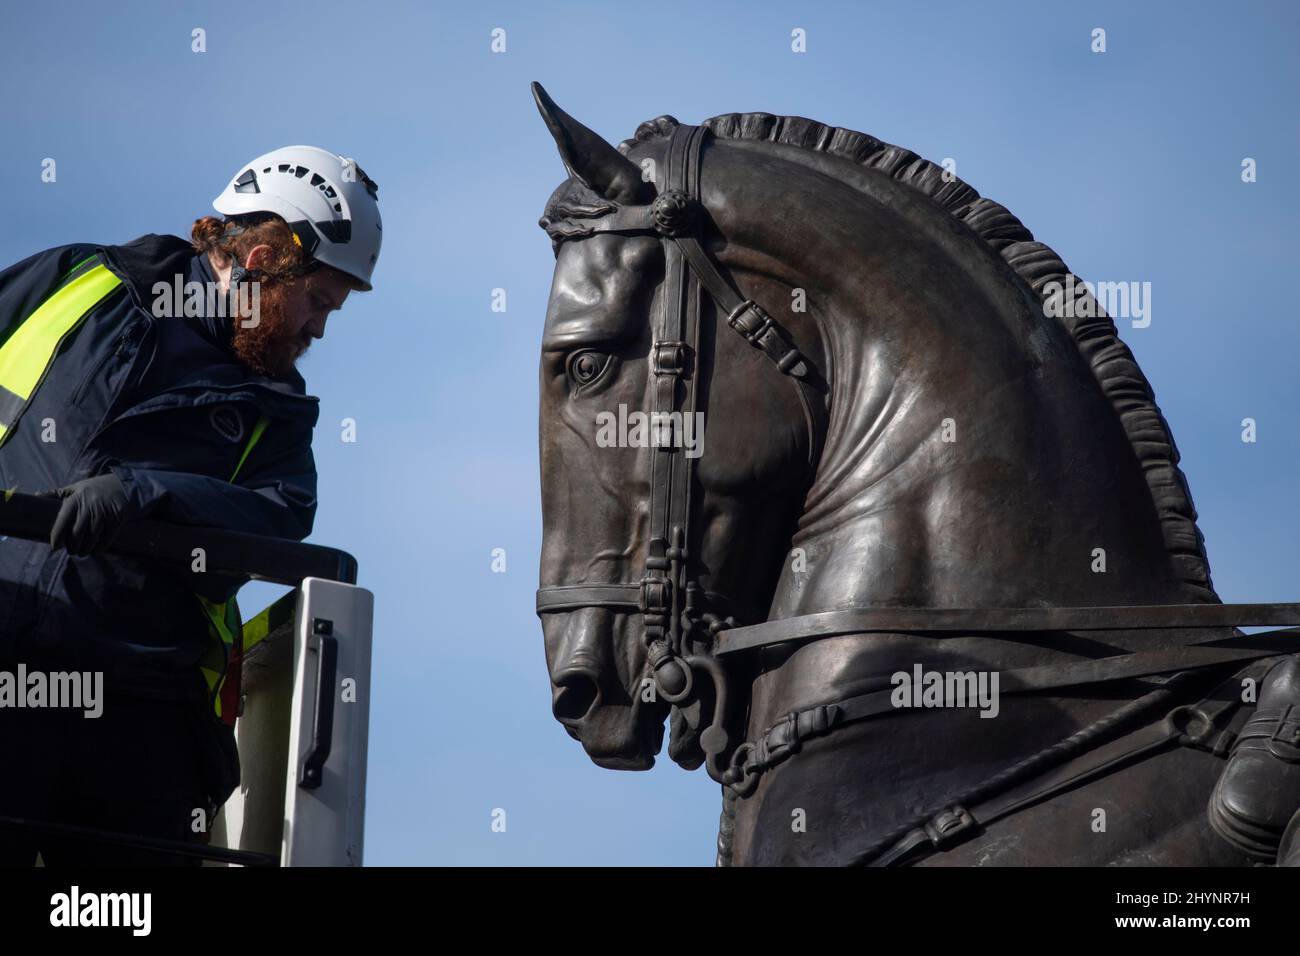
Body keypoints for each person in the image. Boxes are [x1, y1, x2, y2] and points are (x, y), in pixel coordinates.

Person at [0, 146, 381, 865]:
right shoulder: (75, 281)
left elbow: (283, 515)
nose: (320, 330)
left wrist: (142, 496)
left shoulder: (277, 417)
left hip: (136, 723)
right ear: (264, 258)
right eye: (319, 300)